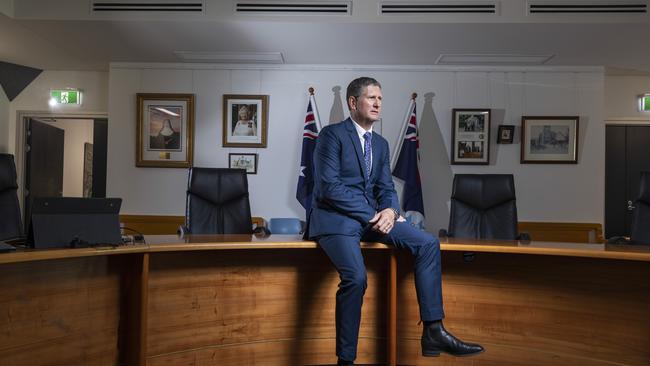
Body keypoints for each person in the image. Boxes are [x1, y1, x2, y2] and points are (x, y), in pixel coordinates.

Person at [308, 77, 484, 365]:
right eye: (371, 98)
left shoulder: (380, 142)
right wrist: (373, 214)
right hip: (335, 220)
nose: (378, 103)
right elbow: (329, 187)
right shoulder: (331, 135)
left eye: (381, 98)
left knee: (428, 243)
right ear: (353, 103)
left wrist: (390, 211)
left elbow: (385, 188)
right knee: (356, 277)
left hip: (372, 218)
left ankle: (433, 330)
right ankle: (346, 360)